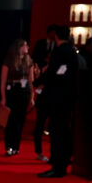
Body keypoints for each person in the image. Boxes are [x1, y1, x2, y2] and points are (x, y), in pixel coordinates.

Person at [35, 25, 78, 177]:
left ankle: (57, 166)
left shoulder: (58, 52)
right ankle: (62, 162)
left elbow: (51, 72)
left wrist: (37, 82)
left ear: (56, 37)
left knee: (56, 131)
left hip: (57, 98)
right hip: (69, 98)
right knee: (64, 131)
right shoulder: (72, 52)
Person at [0, 39, 35, 156]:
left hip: (24, 92)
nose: (27, 47)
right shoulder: (9, 61)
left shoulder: (28, 61)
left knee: (20, 120)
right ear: (19, 47)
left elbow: (31, 81)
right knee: (10, 120)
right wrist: (3, 98)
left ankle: (16, 146)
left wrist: (32, 97)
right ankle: (9, 146)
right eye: (25, 45)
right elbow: (3, 81)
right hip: (11, 90)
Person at [32, 24, 58, 161]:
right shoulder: (44, 69)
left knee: (51, 126)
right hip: (44, 99)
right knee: (40, 125)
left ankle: (52, 153)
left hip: (51, 98)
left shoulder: (52, 70)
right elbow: (36, 82)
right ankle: (39, 152)